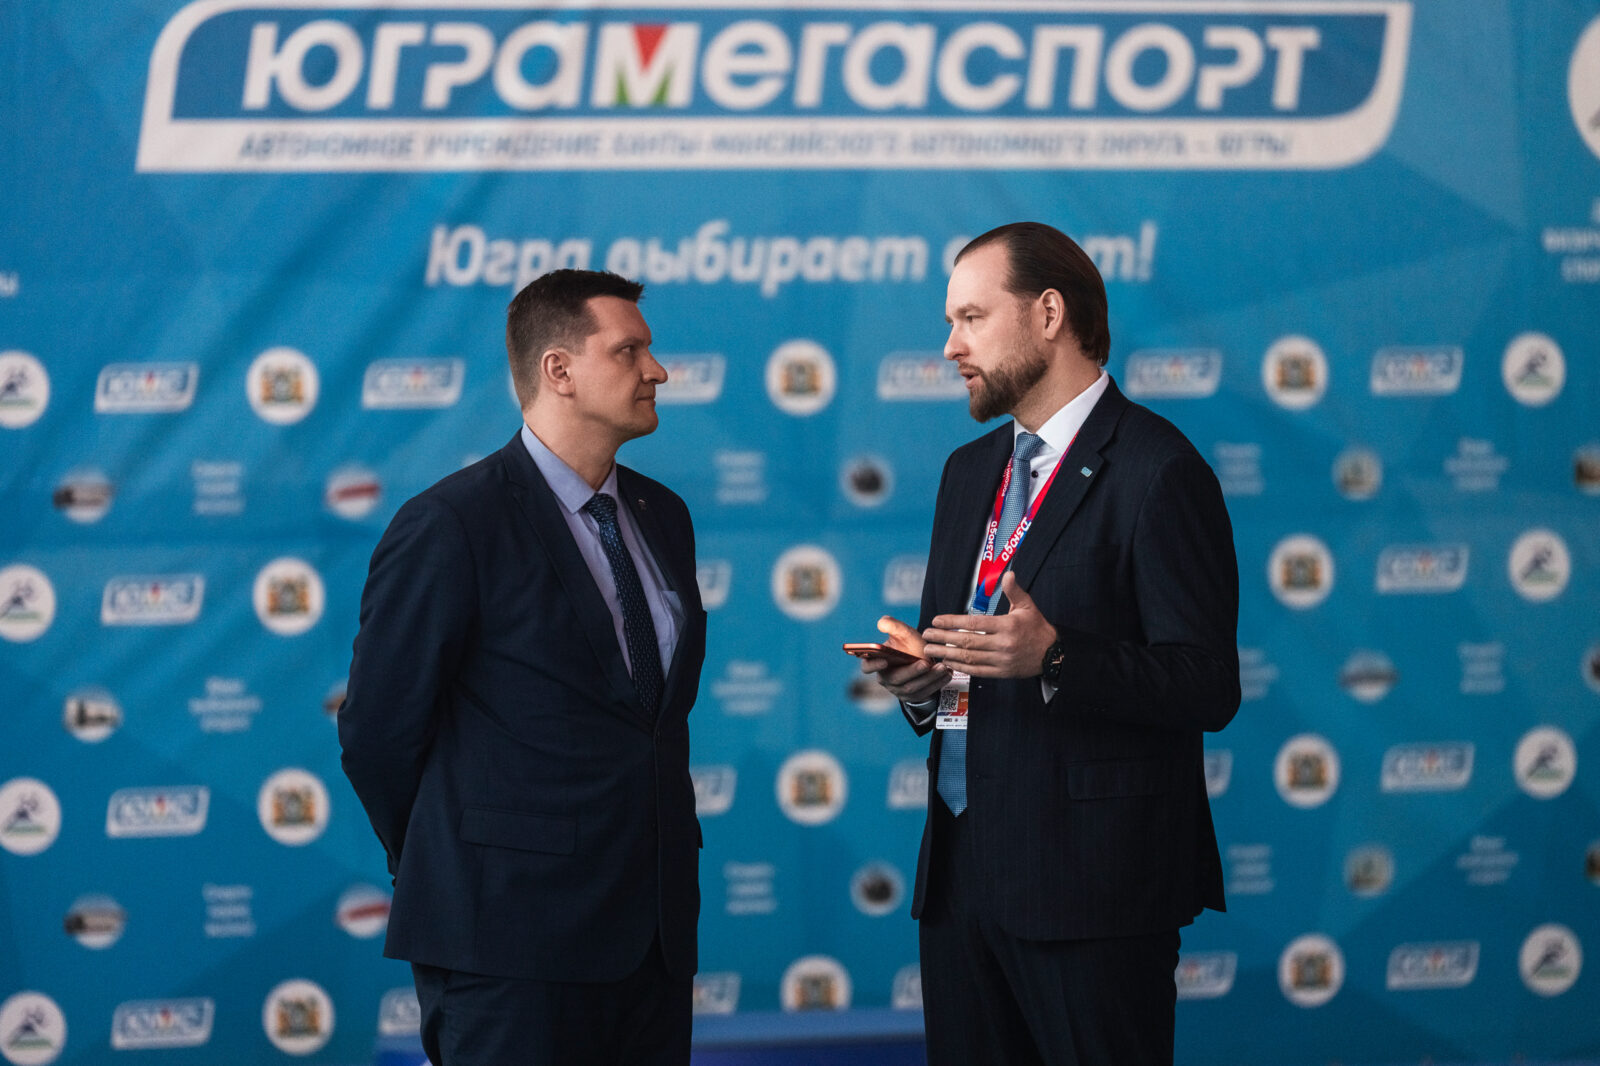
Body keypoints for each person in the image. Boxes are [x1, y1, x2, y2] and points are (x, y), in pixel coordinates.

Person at [859, 222, 1240, 1065]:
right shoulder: (967, 472)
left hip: (1092, 894)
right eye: (950, 322)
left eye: (971, 318)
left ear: (1049, 314)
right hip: (961, 886)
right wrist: (924, 683)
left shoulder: (1159, 469)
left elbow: (1208, 683)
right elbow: (968, 658)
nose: (950, 346)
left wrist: (1056, 658)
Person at [339, 269, 707, 1066]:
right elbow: (377, 735)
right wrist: (456, 859)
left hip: (651, 942)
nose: (657, 370)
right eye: (630, 351)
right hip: (505, 943)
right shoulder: (450, 522)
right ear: (559, 370)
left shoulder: (663, 515)